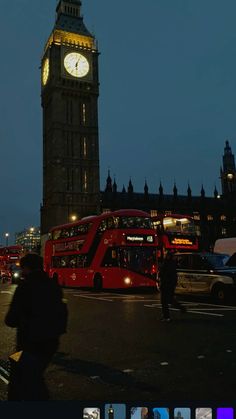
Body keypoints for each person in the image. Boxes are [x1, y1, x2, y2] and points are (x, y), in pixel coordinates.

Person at [5, 253, 68, 400]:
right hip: (51, 342)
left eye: (23, 268)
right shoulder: (53, 285)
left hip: (29, 345)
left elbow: (11, 319)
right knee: (34, 376)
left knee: (20, 373)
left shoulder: (25, 287)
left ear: (27, 268)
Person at [159, 251, 186, 321]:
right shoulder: (172, 264)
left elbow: (163, 274)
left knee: (164, 301)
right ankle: (181, 308)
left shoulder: (166, 263)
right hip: (170, 285)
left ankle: (166, 316)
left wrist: (162, 280)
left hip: (166, 284)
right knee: (169, 299)